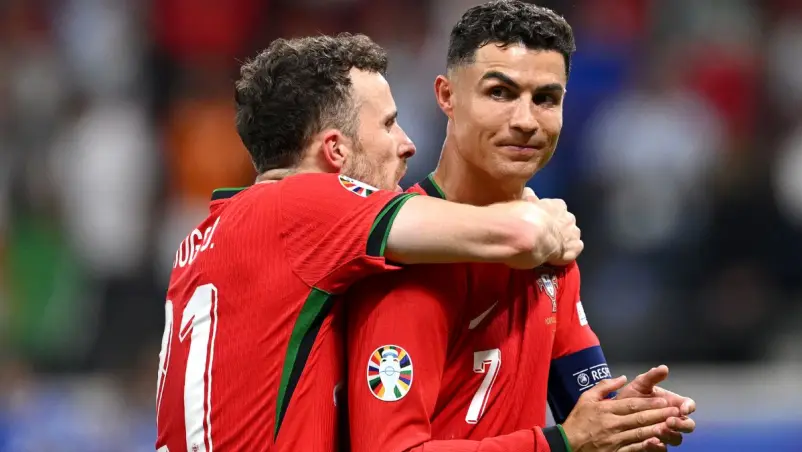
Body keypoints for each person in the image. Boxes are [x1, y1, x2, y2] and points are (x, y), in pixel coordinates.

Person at [154, 33, 585, 452]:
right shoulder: (305, 205)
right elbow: (522, 237)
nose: (407, 145)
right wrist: (545, 216)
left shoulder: (208, 235)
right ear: (335, 151)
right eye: (388, 124)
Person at [345, 2, 696, 452]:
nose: (526, 121)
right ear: (447, 96)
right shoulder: (402, 258)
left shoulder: (551, 245)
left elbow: (585, 404)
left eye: (546, 99)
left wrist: (626, 419)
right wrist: (563, 443)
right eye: (500, 93)